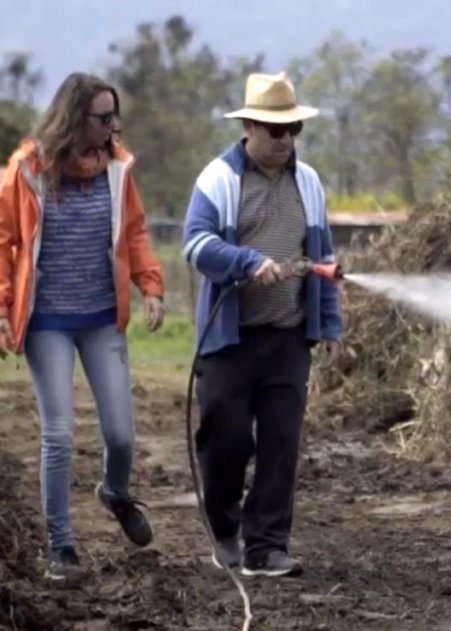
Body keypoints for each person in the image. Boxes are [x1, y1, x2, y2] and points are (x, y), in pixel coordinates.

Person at [0, 72, 166, 581]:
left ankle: (114, 492)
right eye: (103, 117)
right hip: (47, 324)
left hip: (103, 318)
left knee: (121, 436)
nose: (113, 127)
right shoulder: (28, 170)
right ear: (74, 118)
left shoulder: (118, 171)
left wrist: (152, 286)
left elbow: (135, 232)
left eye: (114, 116)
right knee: (58, 435)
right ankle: (61, 547)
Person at [182, 71, 342, 578]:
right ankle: (225, 528)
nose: (286, 140)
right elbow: (195, 244)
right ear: (249, 127)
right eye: (276, 131)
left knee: (280, 444)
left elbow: (323, 258)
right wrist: (246, 261)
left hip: (289, 336)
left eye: (293, 130)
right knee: (226, 442)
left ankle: (267, 545)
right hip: (229, 340)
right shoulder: (219, 181)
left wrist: (329, 324)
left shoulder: (309, 183)